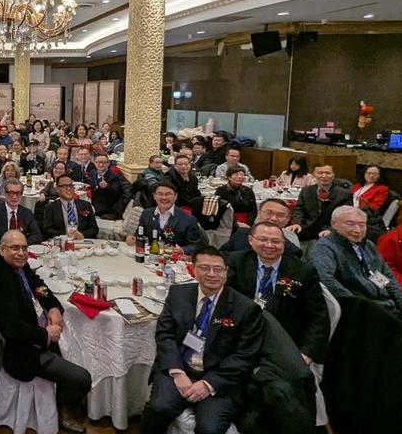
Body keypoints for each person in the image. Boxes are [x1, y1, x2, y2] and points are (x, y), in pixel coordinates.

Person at [141, 245, 263, 434]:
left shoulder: (245, 308)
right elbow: (165, 335)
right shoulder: (178, 294)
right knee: (159, 408)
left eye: (218, 269)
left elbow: (244, 356)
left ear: (226, 272)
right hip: (180, 366)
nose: (212, 274)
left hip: (219, 377)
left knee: (210, 428)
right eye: (204, 268)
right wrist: (177, 372)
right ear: (194, 270)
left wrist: (208, 384)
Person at [0, 230, 91, 432]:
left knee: (78, 351)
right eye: (15, 248)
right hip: (20, 351)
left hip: (34, 332)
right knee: (82, 378)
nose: (21, 253)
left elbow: (39, 287)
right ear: (1, 250)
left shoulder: (19, 267)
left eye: (24, 248)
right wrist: (45, 335)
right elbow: (11, 327)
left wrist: (53, 307)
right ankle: (65, 409)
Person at [311, 206, 402, 361]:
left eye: (362, 224)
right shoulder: (325, 248)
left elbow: (389, 280)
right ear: (334, 224)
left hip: (391, 305)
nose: (357, 230)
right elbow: (326, 280)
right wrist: (365, 307)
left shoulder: (367, 246)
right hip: (368, 312)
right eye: (350, 224)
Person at [225, 222, 329, 365]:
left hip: (284, 339)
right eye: (262, 239)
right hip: (242, 335)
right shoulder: (236, 261)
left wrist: (307, 354)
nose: (269, 245)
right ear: (250, 240)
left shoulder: (303, 271)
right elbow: (224, 299)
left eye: (276, 241)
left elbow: (318, 316)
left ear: (284, 243)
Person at [128, 181, 208, 255]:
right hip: (150, 257)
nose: (164, 197)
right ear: (154, 196)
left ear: (175, 196)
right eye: (160, 194)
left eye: (168, 194)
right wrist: (133, 238)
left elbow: (197, 245)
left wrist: (183, 250)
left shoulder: (188, 219)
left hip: (175, 260)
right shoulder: (146, 214)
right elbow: (139, 234)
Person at [219, 198, 304, 258]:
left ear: (287, 220)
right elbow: (222, 256)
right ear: (259, 213)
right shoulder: (241, 233)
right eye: (269, 213)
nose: (273, 218)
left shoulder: (290, 237)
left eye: (280, 215)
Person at [293, 163, 352, 244]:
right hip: (307, 228)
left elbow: (345, 217)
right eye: (320, 173)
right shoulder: (306, 190)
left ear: (333, 175)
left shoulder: (344, 194)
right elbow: (299, 209)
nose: (324, 176)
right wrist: (297, 223)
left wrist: (331, 230)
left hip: (330, 229)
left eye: (328, 173)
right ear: (313, 175)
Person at [0, 177, 42, 245]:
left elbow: (37, 235)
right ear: (5, 194)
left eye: (18, 193)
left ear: (21, 195)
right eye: (11, 193)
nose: (14, 197)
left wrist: (19, 245)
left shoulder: (27, 213)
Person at [42, 174, 98, 240]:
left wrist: (82, 234)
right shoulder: (50, 207)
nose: (69, 189)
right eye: (64, 186)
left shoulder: (85, 205)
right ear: (57, 189)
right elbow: (47, 230)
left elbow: (94, 228)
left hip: (82, 242)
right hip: (62, 242)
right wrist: (66, 235)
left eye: (71, 185)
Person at [88, 154, 130, 219]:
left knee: (83, 210)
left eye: (103, 162)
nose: (101, 165)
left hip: (106, 205)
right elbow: (94, 186)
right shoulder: (93, 172)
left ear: (108, 163)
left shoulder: (113, 176)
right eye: (98, 162)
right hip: (93, 200)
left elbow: (116, 191)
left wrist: (107, 186)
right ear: (94, 163)